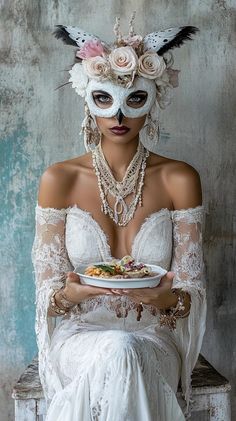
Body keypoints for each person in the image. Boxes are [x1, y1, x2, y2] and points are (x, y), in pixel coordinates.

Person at [32, 13, 207, 421]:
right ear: (87, 96)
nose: (119, 116)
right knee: (116, 350)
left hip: (153, 337)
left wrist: (167, 299)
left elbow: (190, 292)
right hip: (82, 336)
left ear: (153, 97)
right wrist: (70, 296)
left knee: (125, 350)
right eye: (104, 98)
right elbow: (49, 295)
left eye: (134, 99)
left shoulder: (180, 178)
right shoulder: (59, 179)